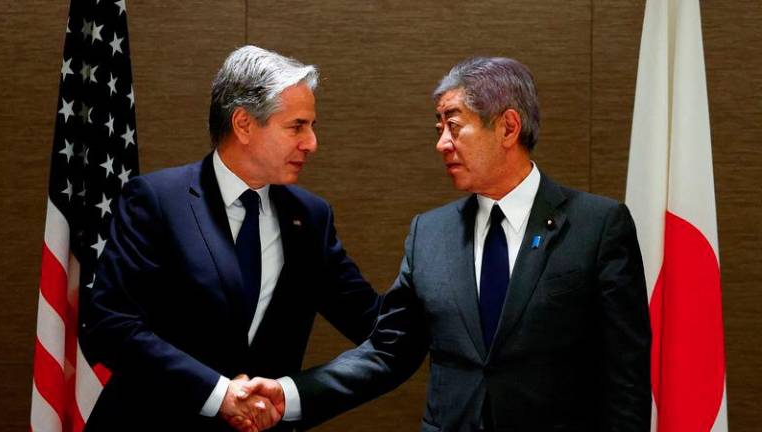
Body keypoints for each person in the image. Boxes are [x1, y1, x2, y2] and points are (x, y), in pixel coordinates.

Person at [243, 57, 652, 431]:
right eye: (438, 128)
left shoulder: (597, 227)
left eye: (454, 126)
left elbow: (626, 379)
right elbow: (389, 351)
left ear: (508, 127)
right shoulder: (430, 235)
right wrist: (289, 394)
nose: (442, 143)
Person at [79, 45, 381, 432]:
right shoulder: (156, 201)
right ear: (243, 124)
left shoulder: (310, 218)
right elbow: (111, 324)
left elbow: (374, 323)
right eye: (297, 126)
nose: (311, 143)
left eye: (312, 126)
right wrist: (219, 394)